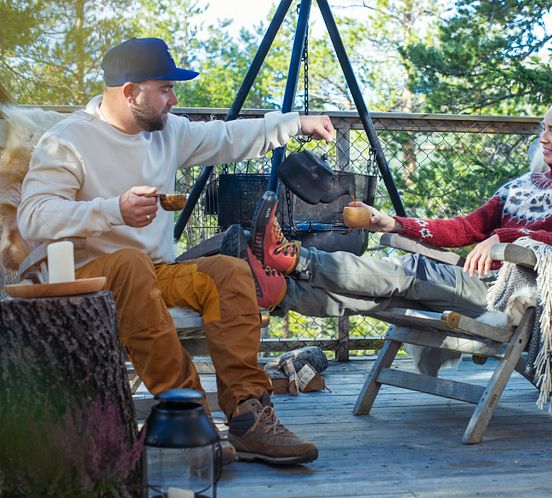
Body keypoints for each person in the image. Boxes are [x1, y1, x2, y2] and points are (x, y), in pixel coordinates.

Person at [17, 37, 334, 466]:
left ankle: (249, 417)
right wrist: (114, 210)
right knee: (130, 264)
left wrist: (296, 124)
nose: (174, 98)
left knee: (228, 272)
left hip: (155, 272)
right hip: (89, 279)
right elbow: (34, 216)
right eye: (164, 88)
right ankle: (191, 419)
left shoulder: (167, 131)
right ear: (129, 92)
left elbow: (225, 137)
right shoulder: (67, 141)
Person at [224, 92, 552, 327]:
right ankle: (280, 290)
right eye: (543, 129)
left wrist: (504, 238)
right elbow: (465, 228)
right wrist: (391, 222)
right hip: (477, 283)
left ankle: (297, 260)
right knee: (385, 298)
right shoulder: (522, 186)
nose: (543, 140)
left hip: (515, 295)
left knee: (414, 271)